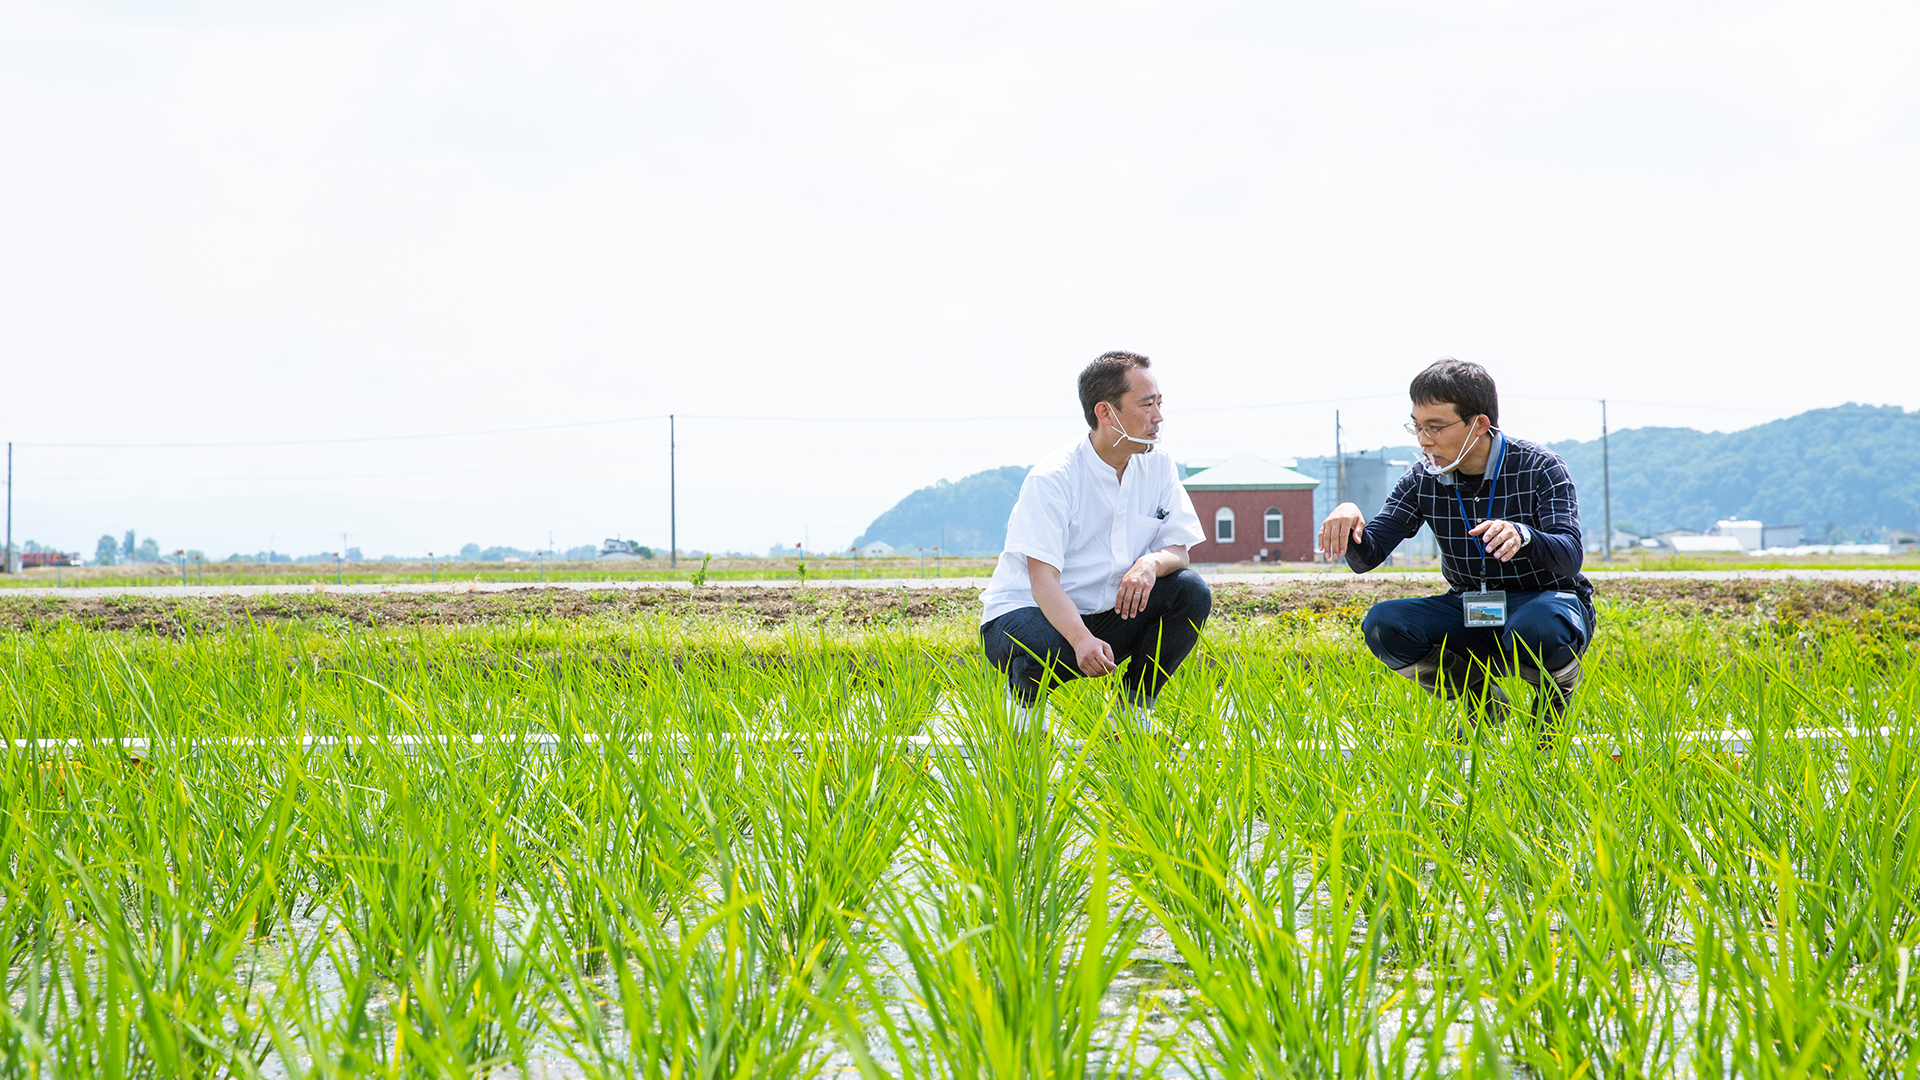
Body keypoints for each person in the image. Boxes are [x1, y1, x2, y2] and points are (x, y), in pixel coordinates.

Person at [1317, 358, 1594, 725]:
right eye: (1416, 426)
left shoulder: (1539, 466)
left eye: (1435, 427)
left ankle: (1551, 713)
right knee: (1384, 625)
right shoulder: (1422, 477)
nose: (1423, 439)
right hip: (1469, 607)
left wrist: (1524, 536)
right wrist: (1349, 518)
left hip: (1545, 605)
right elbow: (1367, 556)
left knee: (1538, 628)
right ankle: (1485, 706)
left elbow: (1570, 555)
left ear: (1479, 424)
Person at [979, 351, 1212, 731]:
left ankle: (1132, 712)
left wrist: (1149, 564)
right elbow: (1042, 581)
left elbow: (1179, 549)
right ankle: (1024, 707)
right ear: (1106, 413)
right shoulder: (1053, 478)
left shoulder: (1158, 464)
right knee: (1038, 644)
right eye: (1146, 404)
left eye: (1160, 403)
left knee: (1190, 592)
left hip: (1106, 613)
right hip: (1029, 614)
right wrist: (1081, 640)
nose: (1158, 417)